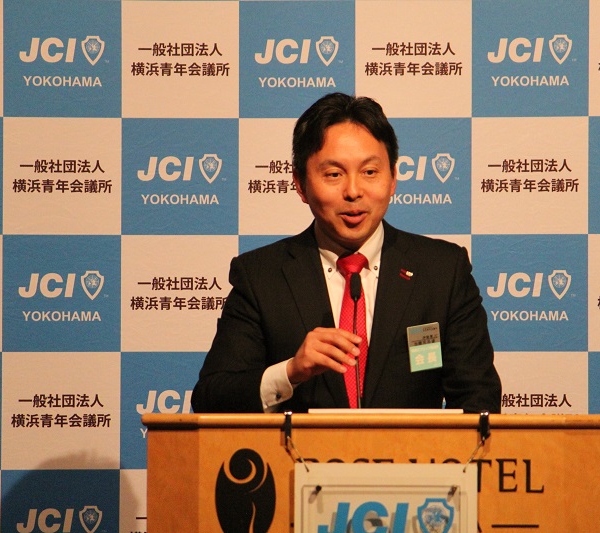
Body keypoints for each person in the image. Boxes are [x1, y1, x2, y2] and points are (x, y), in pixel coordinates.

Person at [192, 92, 500, 414]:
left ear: (393, 179)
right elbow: (210, 398)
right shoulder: (261, 276)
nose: (353, 191)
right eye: (334, 174)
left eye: (370, 172)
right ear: (300, 184)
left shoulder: (442, 271)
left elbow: (480, 400)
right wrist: (290, 372)